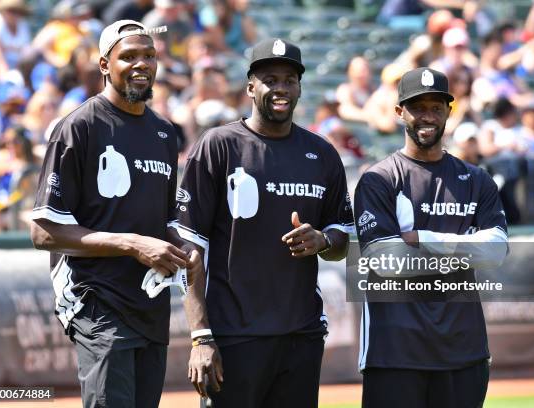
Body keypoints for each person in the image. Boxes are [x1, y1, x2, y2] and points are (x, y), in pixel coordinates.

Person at [172, 38, 354, 407]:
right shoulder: (218, 146)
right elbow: (189, 247)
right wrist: (201, 337)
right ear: (251, 86)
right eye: (270, 79)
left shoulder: (321, 154)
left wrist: (322, 239)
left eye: (290, 79)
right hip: (233, 336)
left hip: (300, 335)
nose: (281, 88)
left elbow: (343, 238)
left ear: (300, 87)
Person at [30, 20, 200, 408]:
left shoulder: (163, 133)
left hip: (148, 303)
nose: (142, 64)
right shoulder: (78, 126)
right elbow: (44, 232)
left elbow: (162, 219)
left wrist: (185, 245)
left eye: (149, 56)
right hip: (96, 298)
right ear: (105, 64)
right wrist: (131, 244)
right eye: (129, 56)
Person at [353, 67, 508, 408]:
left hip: (464, 349)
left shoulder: (476, 179)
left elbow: (495, 251)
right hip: (395, 350)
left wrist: (423, 237)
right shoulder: (379, 179)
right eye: (417, 107)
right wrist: (468, 246)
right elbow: (387, 260)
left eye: (436, 107)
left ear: (448, 112)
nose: (428, 116)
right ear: (399, 113)